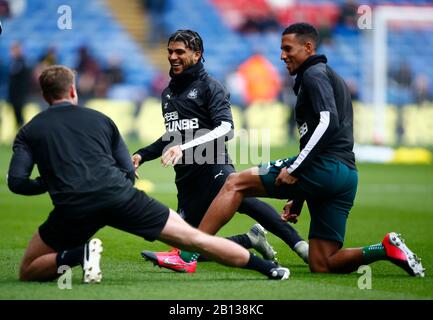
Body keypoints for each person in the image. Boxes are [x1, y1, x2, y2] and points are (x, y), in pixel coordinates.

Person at [7, 65, 290, 283]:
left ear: (43, 95)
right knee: (196, 240)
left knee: (29, 268)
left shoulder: (30, 130)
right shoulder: (101, 120)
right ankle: (268, 269)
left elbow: (17, 182)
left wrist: (49, 181)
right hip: (122, 197)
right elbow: (128, 173)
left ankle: (80, 254)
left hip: (74, 206)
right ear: (73, 91)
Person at [196, 23, 425, 277]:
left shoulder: (314, 73)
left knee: (234, 183)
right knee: (323, 263)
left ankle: (187, 252)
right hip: (345, 177)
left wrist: (295, 168)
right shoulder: (322, 75)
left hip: (324, 167)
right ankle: (383, 249)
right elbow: (318, 137)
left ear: (308, 48)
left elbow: (328, 122)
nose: (282, 55)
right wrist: (300, 196)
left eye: (287, 49)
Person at [132, 29, 309, 273]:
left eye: (179, 52)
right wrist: (141, 154)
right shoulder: (168, 93)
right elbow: (172, 136)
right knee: (187, 247)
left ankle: (300, 246)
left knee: (244, 202)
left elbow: (226, 128)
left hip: (213, 167)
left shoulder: (210, 86)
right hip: (187, 181)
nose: (173, 56)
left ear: (196, 55)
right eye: (170, 51)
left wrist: (183, 146)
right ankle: (249, 240)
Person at [7, 42, 30, 128]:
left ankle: (22, 133)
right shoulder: (13, 63)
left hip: (19, 94)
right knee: (16, 116)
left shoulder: (22, 62)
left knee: (20, 115)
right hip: (13, 94)